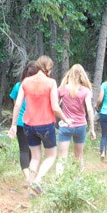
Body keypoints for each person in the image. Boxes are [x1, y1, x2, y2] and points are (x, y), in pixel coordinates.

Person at [8, 55, 71, 196]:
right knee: (51, 156)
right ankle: (37, 180)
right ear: (48, 68)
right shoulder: (51, 83)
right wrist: (66, 120)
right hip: (45, 124)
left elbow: (17, 105)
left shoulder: (26, 82)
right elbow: (55, 107)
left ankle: (32, 189)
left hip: (28, 125)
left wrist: (13, 125)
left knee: (35, 157)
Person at [57, 64, 95, 171]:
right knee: (79, 156)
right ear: (82, 75)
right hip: (80, 126)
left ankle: (59, 179)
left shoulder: (63, 89)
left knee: (62, 157)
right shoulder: (86, 91)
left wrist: (62, 117)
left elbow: (55, 106)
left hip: (66, 125)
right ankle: (79, 177)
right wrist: (92, 129)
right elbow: (89, 109)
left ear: (70, 74)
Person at [9, 61, 39, 187]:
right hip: (36, 122)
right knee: (34, 150)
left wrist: (14, 123)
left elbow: (16, 104)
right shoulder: (40, 87)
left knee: (23, 149)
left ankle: (27, 177)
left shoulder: (18, 86)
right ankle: (32, 178)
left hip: (21, 122)